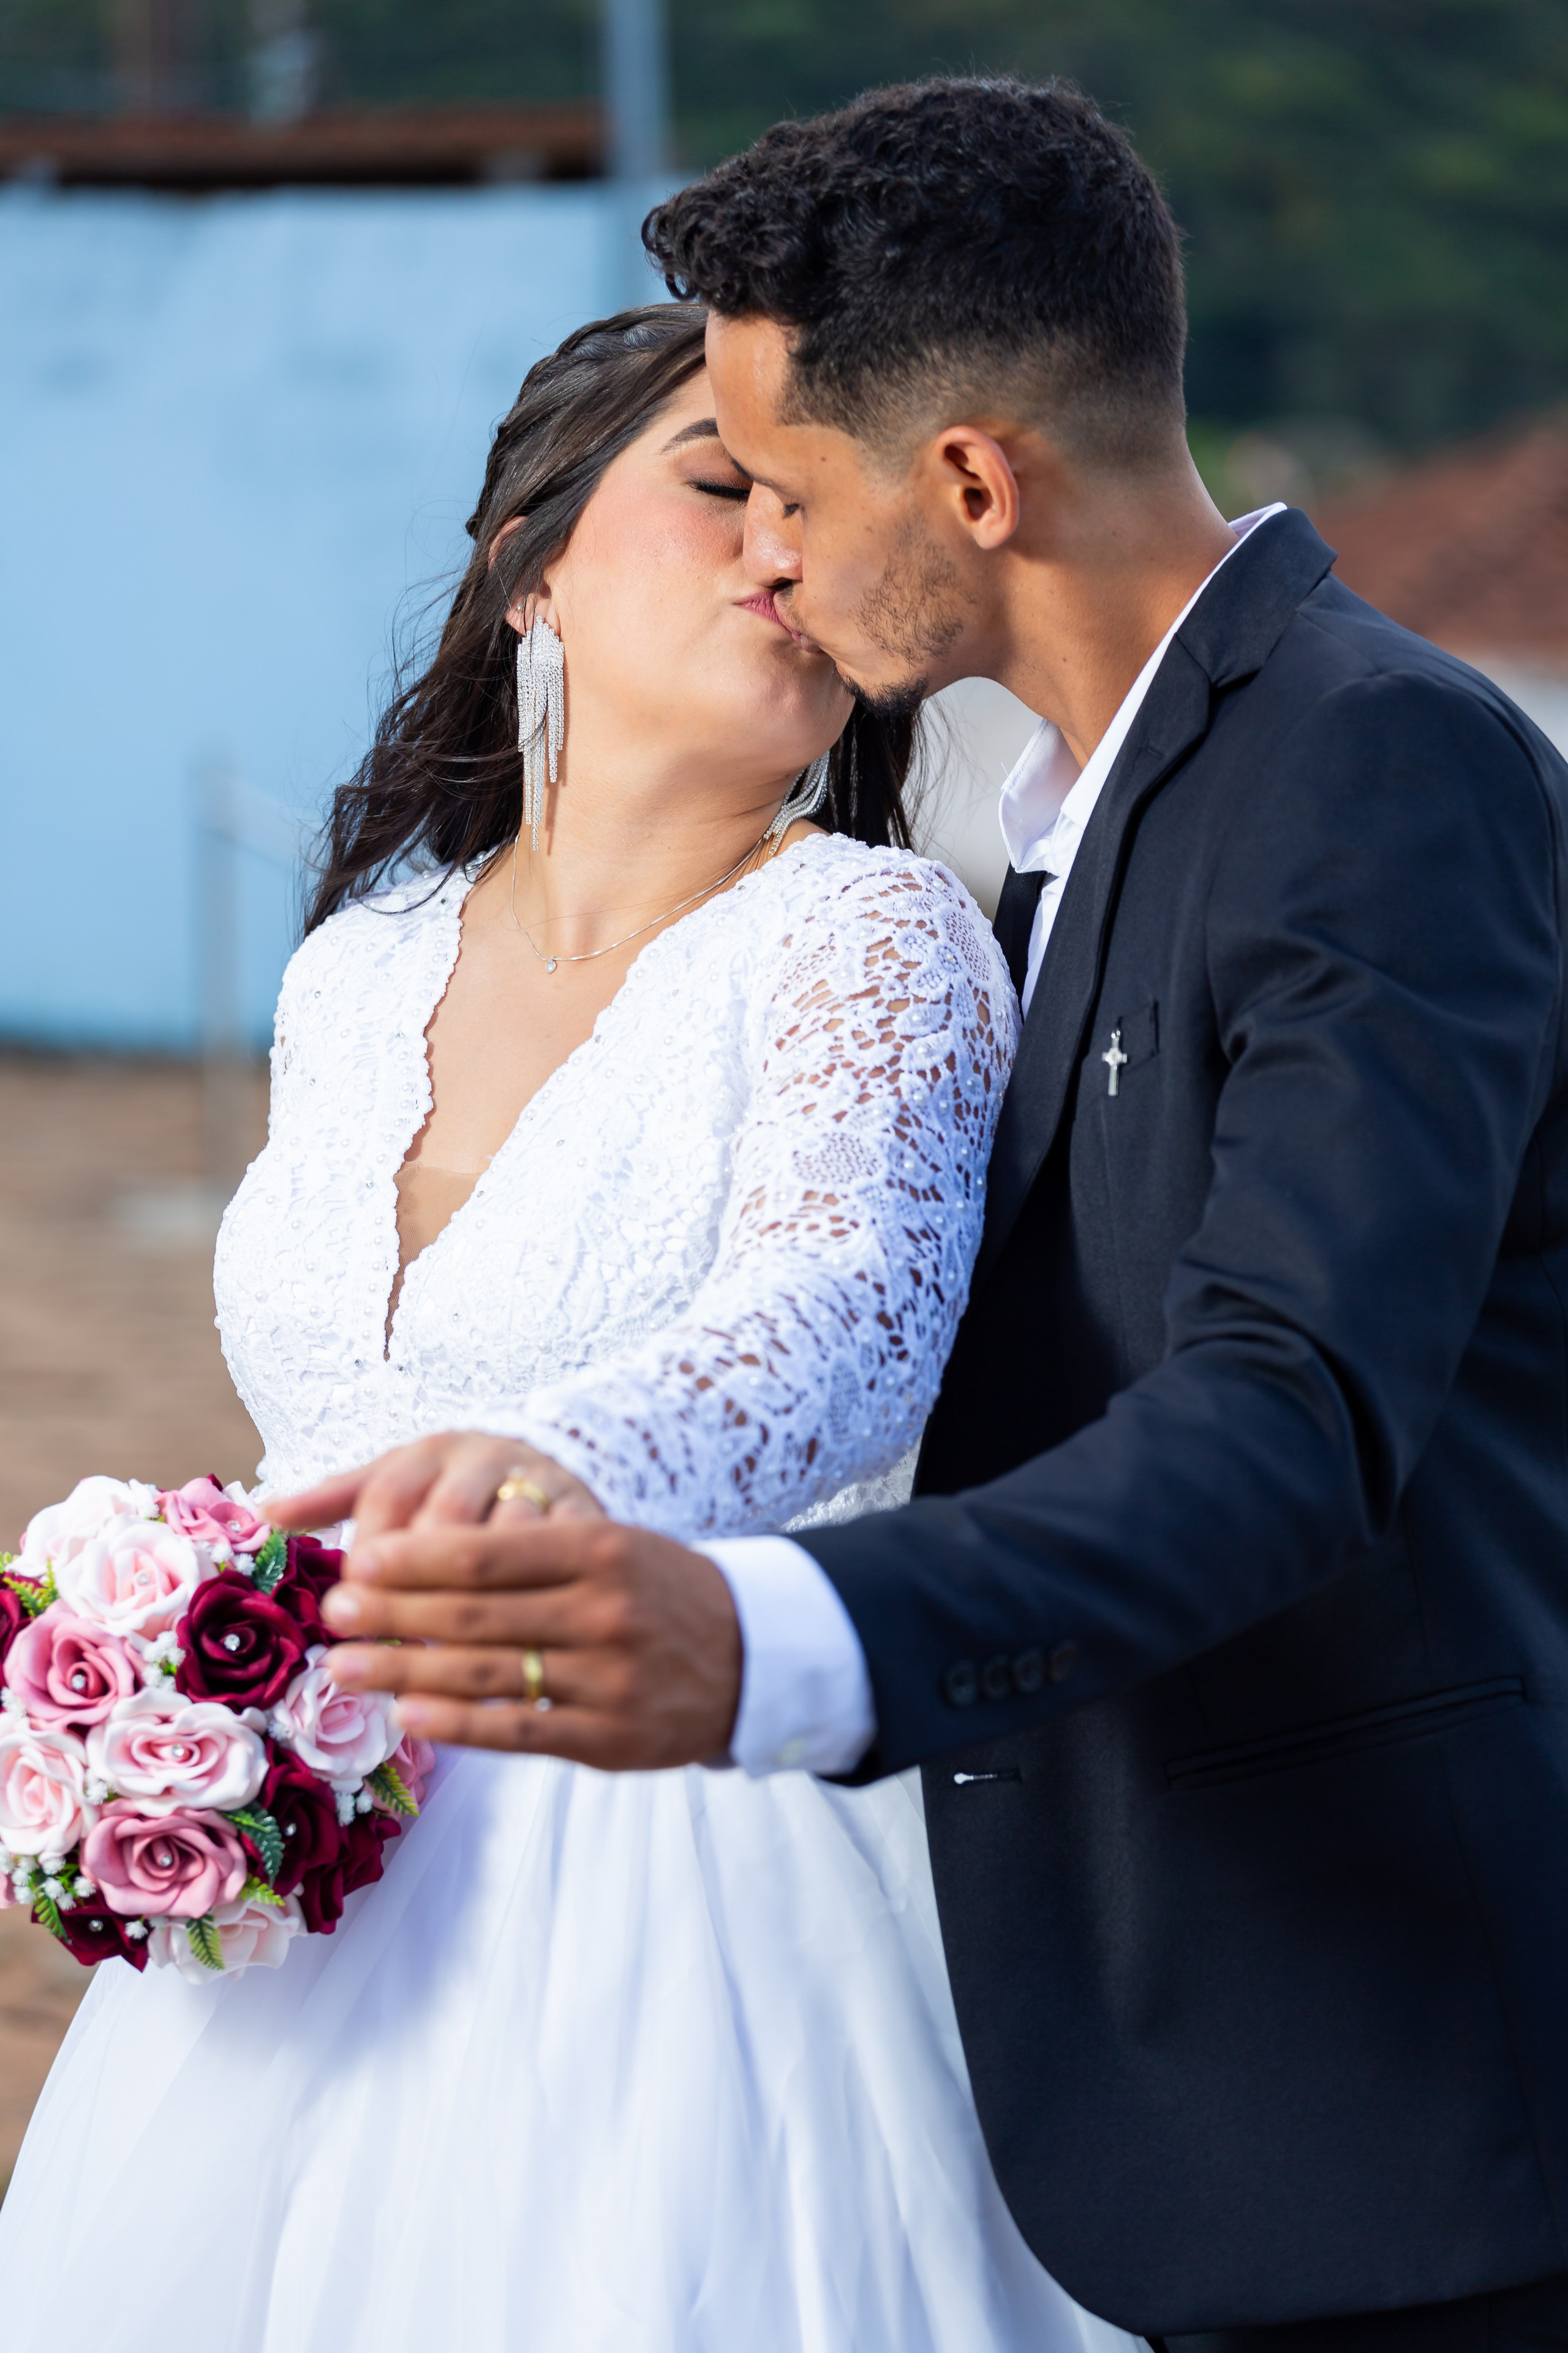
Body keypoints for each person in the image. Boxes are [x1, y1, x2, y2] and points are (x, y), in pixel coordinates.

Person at [308, 78, 1568, 2353]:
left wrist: (779, 1636)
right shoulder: (1075, 834)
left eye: (783, 490)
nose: (767, 554)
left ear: (973, 481)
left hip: (1413, 2096)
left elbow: (1286, 1409)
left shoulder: (1375, 756)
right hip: (1188, 2073)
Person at [0, 303, 1131, 2353]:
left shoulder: (871, 933)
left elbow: (847, 1325)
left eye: (813, 505)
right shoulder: (358, 968)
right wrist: (166, 1621)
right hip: (311, 1875)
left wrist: (534, 1484)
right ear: (531, 563)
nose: (781, 550)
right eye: (722, 488)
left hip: (682, 1855)